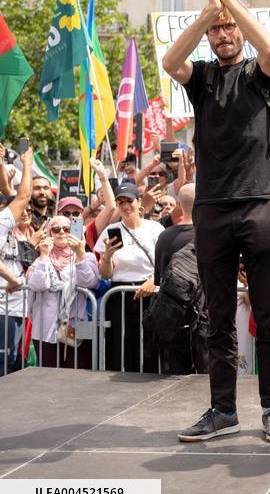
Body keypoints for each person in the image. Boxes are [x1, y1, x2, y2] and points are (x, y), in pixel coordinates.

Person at [162, 0, 270, 444]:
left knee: (268, 316)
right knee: (218, 316)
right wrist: (207, 9)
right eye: (216, 31)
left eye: (227, 28)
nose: (222, 35)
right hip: (213, 207)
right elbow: (170, 61)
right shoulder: (201, 79)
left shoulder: (260, 76)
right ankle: (222, 409)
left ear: (239, 30)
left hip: (261, 203)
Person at [133, 184, 207, 375]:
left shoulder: (164, 237)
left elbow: (159, 280)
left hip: (174, 317)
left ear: (179, 205)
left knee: (175, 378)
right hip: (206, 316)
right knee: (208, 376)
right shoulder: (212, 236)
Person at [94, 182, 164, 372]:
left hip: (149, 292)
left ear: (139, 201)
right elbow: (106, 274)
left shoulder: (155, 229)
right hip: (119, 293)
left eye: (129, 201)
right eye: (120, 202)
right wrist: (107, 257)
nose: (125, 206)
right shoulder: (111, 231)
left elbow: (164, 264)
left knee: (148, 341)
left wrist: (153, 281)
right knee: (120, 341)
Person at [25, 217, 101, 368]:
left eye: (67, 229)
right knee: (48, 374)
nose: (61, 232)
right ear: (50, 233)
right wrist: (44, 255)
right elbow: (38, 285)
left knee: (78, 374)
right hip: (46, 327)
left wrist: (80, 255)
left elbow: (91, 282)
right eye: (56, 229)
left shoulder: (88, 256)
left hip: (77, 325)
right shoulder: (40, 258)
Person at [0, 149, 36, 374]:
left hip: (14, 306)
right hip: (2, 307)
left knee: (12, 364)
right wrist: (28, 165)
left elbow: (20, 197)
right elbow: (22, 197)